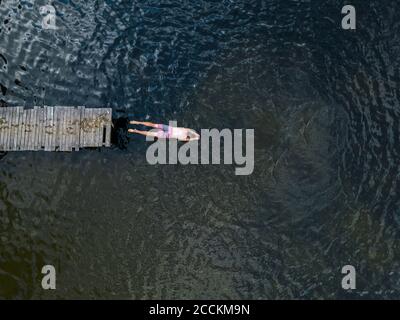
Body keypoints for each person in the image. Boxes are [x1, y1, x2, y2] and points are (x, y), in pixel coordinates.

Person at [128, 120, 200, 142]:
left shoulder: (184, 130)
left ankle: (138, 122)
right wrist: (195, 138)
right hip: (168, 134)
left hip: (169, 128)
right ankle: (135, 131)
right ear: (188, 137)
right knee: (151, 134)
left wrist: (195, 134)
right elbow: (189, 139)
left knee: (153, 125)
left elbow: (190, 130)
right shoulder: (183, 137)